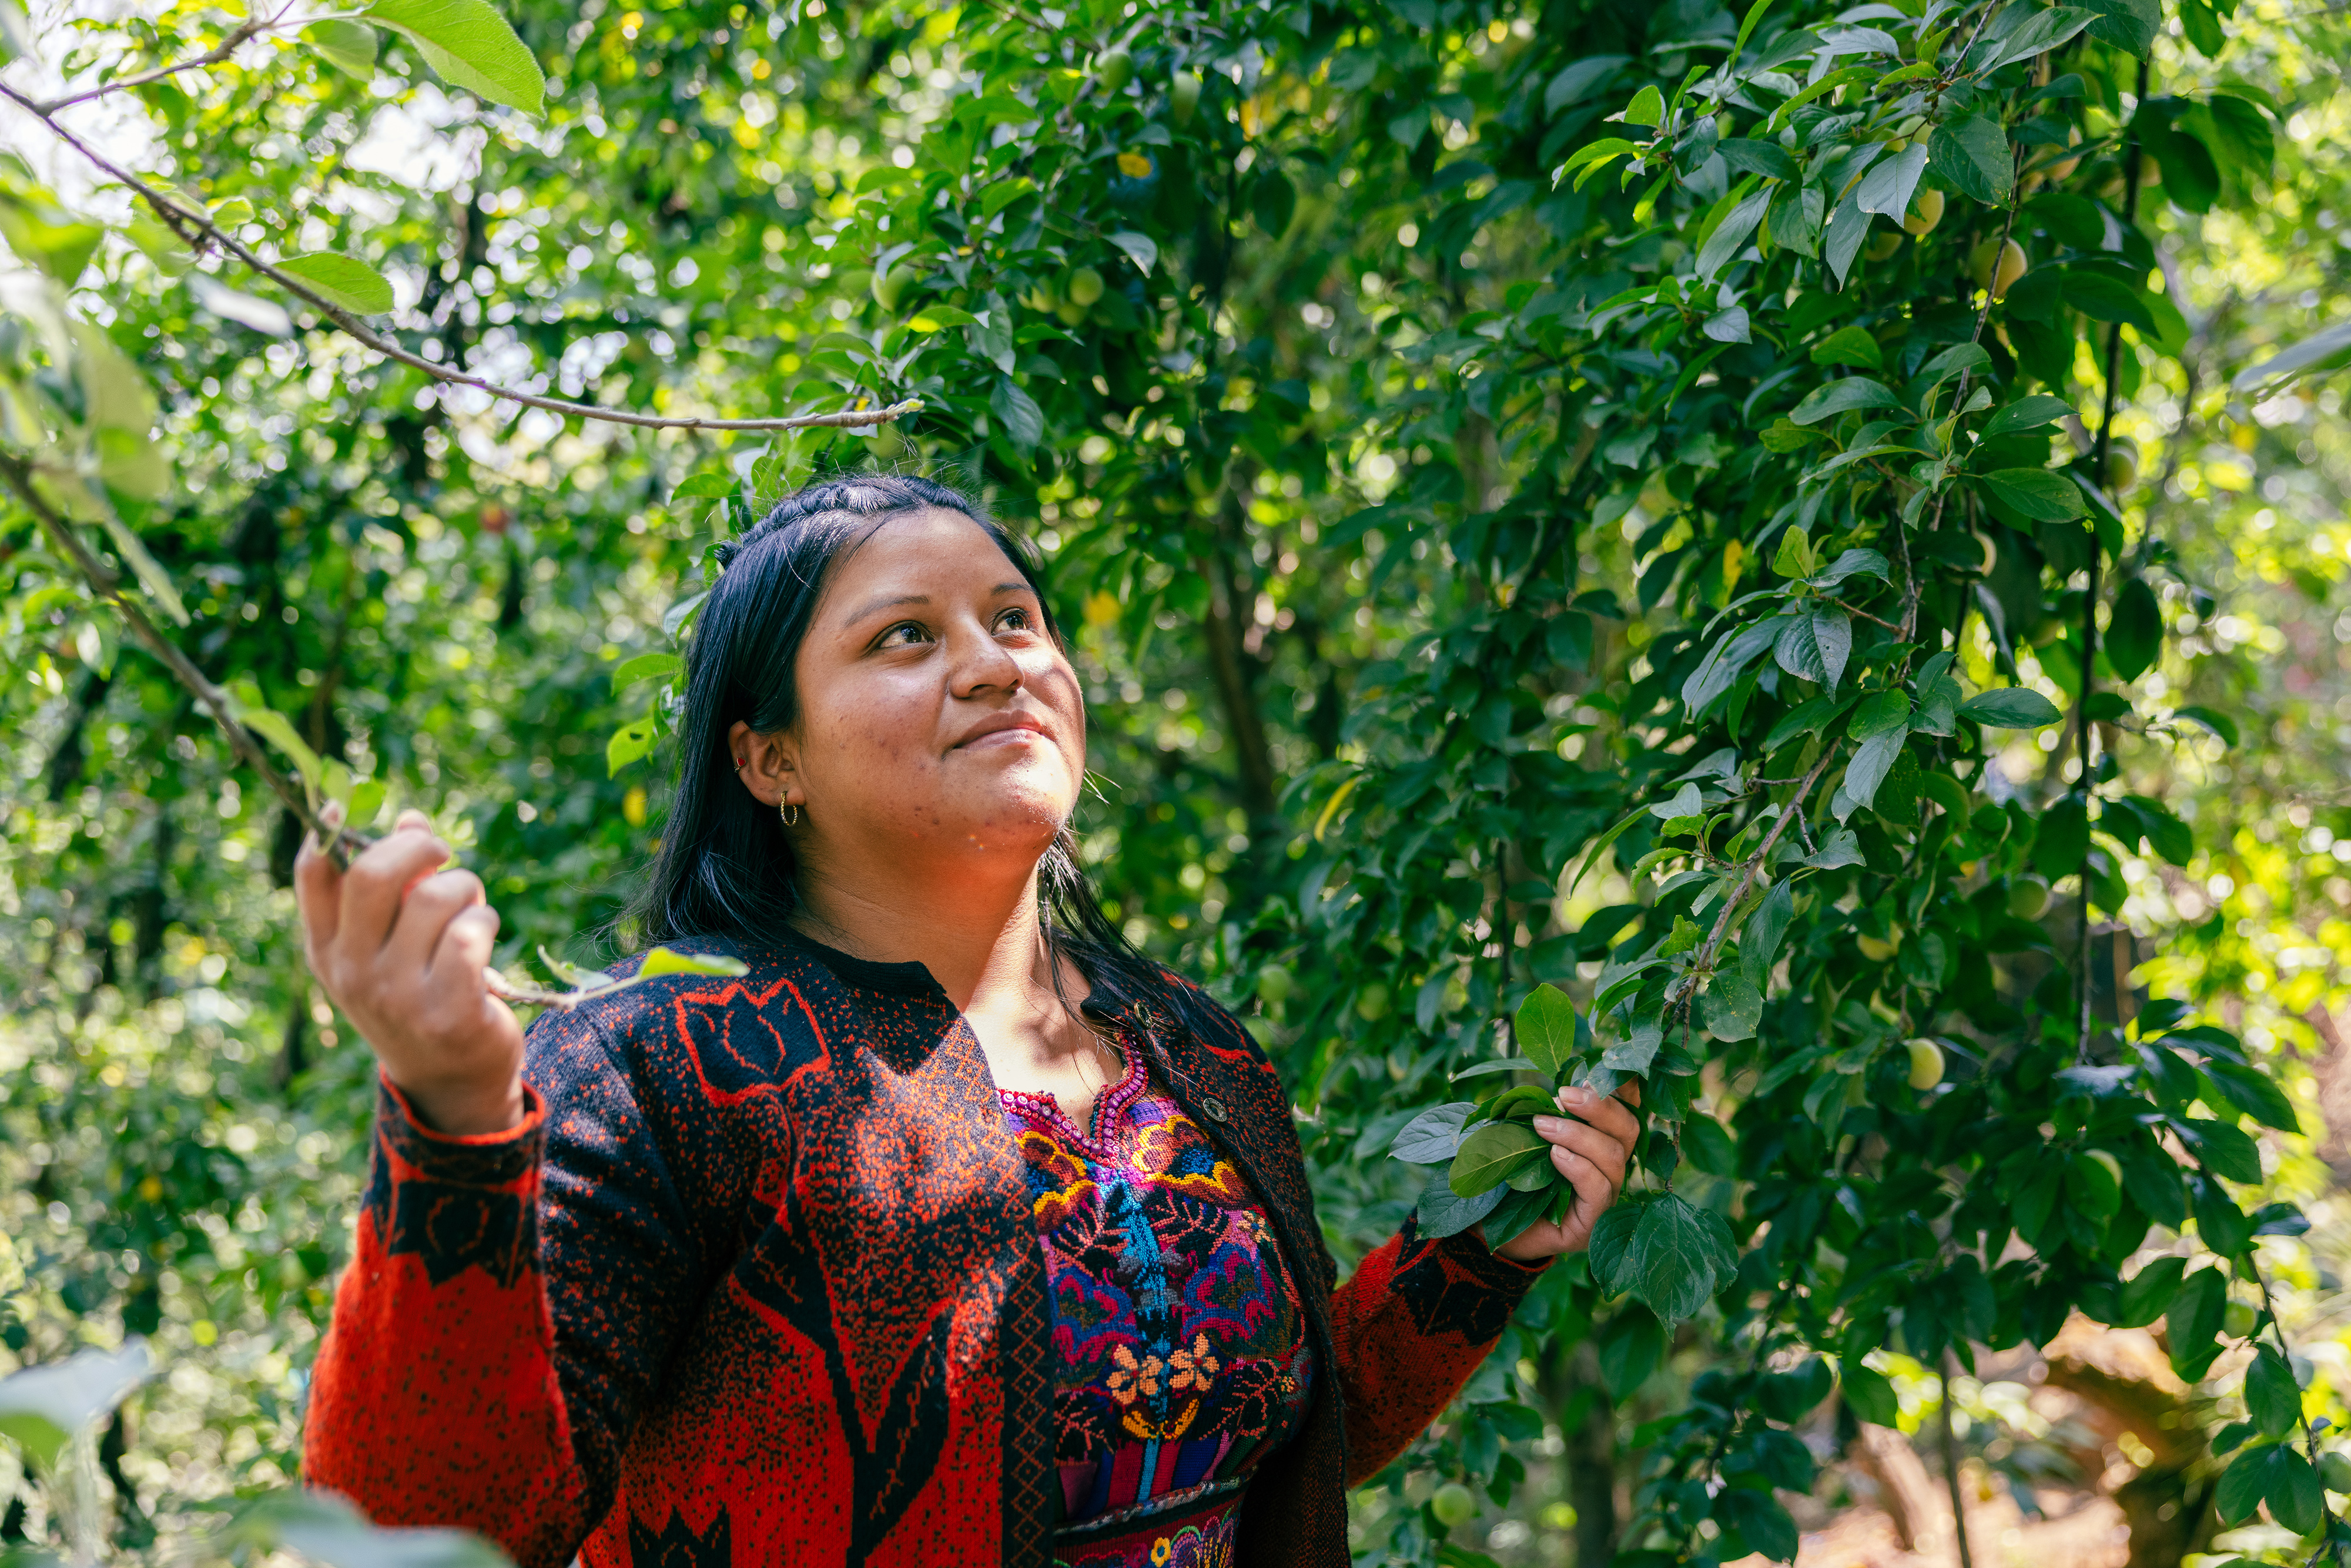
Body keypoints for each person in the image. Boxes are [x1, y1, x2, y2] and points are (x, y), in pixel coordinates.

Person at [293, 475, 1640, 1568]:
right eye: (906, 635)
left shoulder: (1190, 1048)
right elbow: (421, 1537)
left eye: (1015, 619)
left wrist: (1470, 1263)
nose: (996, 663)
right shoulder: (657, 1065)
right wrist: (455, 1123)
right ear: (770, 757)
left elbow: (1260, 1431)